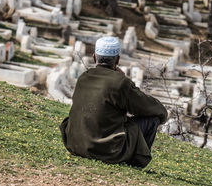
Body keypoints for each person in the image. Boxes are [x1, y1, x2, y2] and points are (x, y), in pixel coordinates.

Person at [60, 36, 167, 168]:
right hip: (107, 150)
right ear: (117, 60)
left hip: (75, 144)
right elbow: (148, 107)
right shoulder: (120, 83)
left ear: (94, 57)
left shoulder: (83, 77)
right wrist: (125, 81)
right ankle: (135, 163)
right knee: (153, 119)